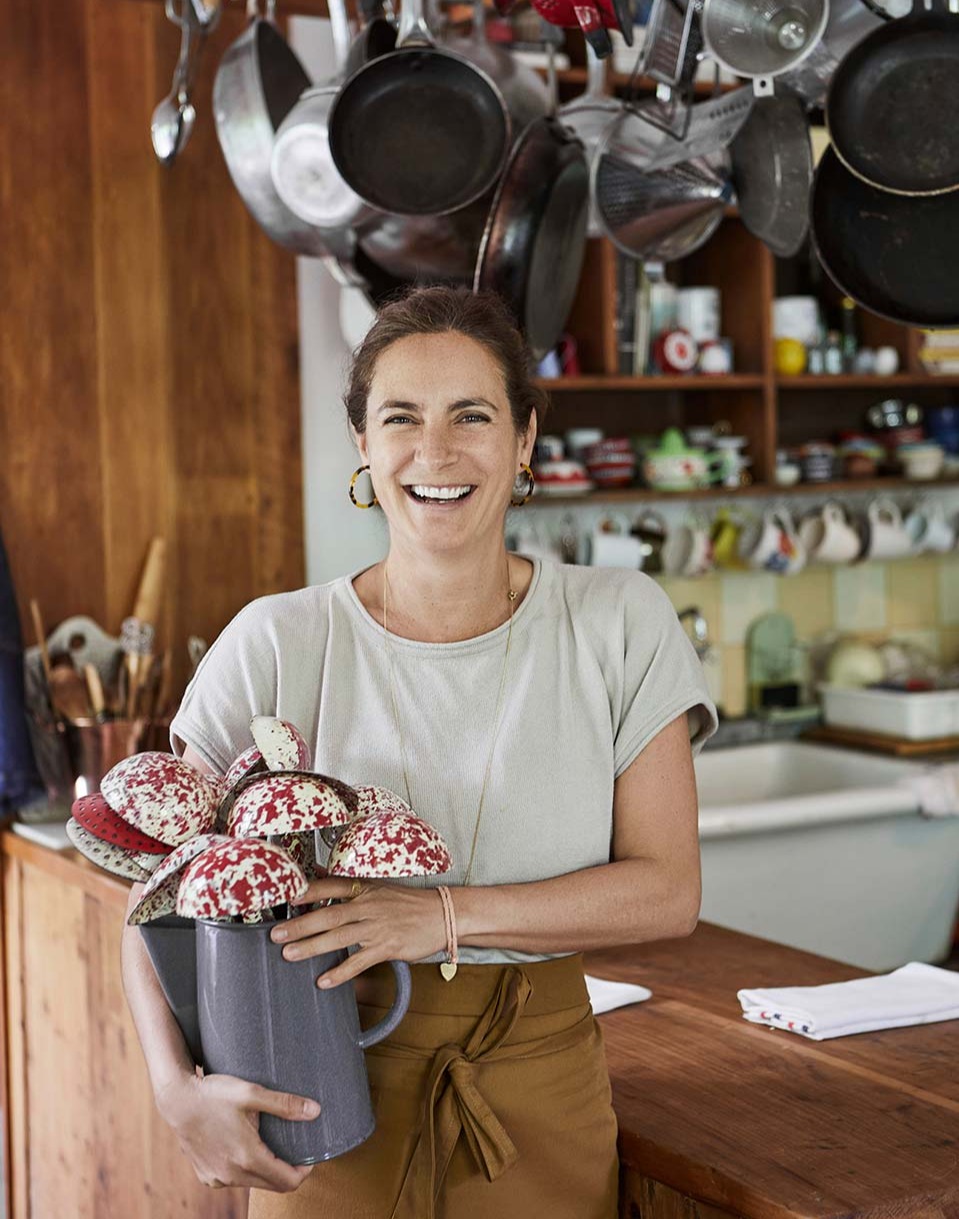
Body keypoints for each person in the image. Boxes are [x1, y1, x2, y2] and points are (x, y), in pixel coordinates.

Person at [120, 284, 717, 1218]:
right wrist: (174, 1085)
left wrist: (434, 916)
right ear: (363, 442)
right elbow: (157, 893)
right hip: (307, 1074)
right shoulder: (274, 640)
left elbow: (666, 890)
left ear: (523, 440)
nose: (434, 452)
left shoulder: (617, 621)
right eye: (400, 417)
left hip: (537, 1091)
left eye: (471, 415)